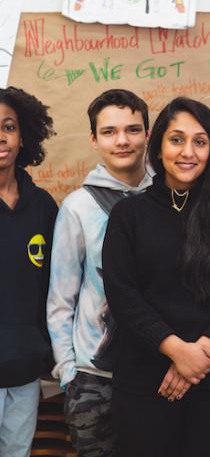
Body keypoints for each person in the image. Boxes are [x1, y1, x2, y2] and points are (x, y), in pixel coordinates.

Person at [101, 96, 210, 457]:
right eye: (176, 139)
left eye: (200, 141)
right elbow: (122, 293)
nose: (187, 151)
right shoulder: (129, 215)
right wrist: (175, 350)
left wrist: (201, 353)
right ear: (158, 146)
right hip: (146, 382)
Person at [47, 89, 151, 456]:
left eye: (132, 129)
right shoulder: (78, 207)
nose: (121, 140)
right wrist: (70, 373)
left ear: (148, 134)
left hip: (158, 370)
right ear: (93, 139)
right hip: (94, 376)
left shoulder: (170, 199)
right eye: (108, 132)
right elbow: (61, 299)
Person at [0, 87, 57, 457]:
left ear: (24, 137)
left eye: (8, 126)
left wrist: (45, 351)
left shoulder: (43, 206)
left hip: (24, 368)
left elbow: (54, 287)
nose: (0, 137)